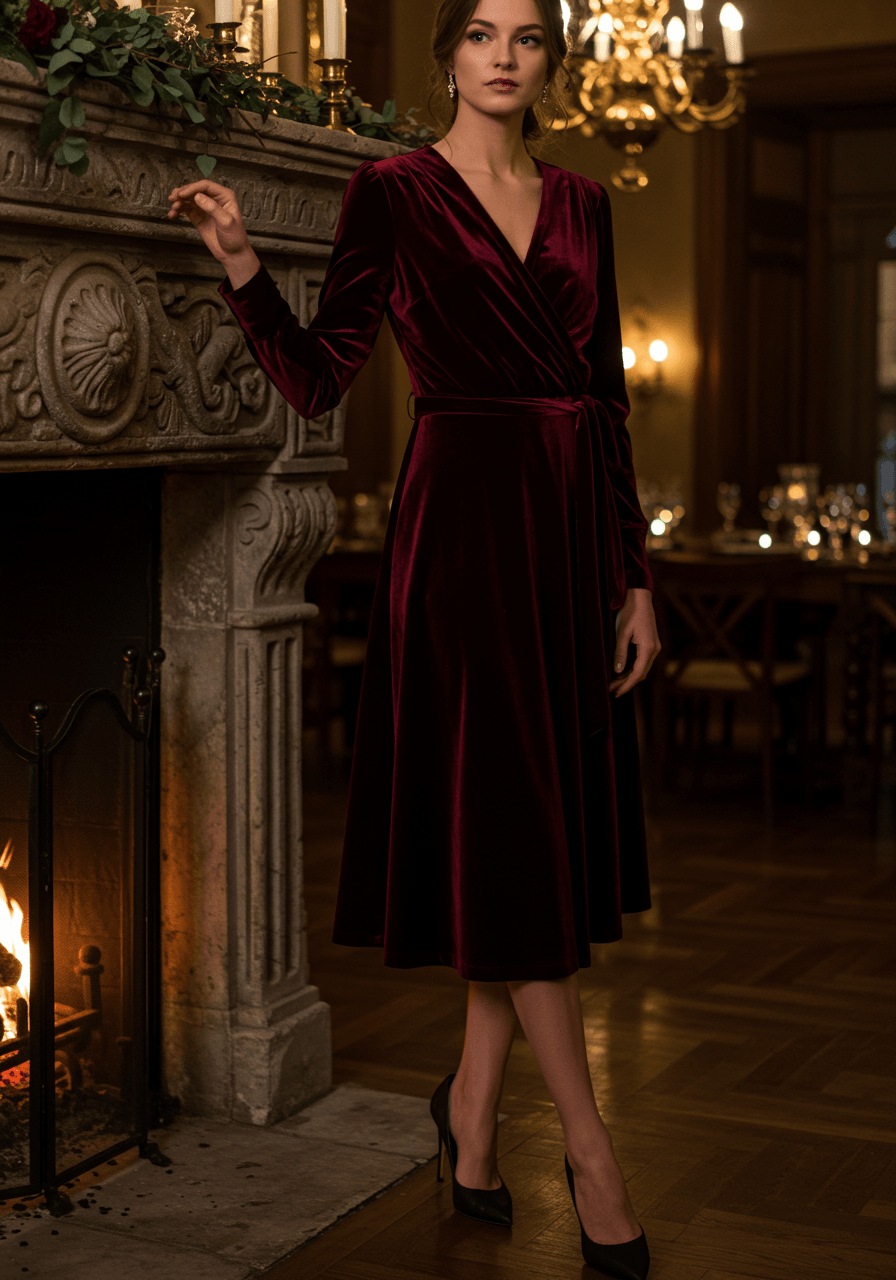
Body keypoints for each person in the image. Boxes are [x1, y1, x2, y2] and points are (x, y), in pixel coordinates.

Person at [168, 1, 659, 1275]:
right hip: (461, 544)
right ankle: (591, 1155)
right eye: (481, 33)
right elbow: (320, 373)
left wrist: (632, 576)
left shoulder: (584, 203)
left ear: (549, 63)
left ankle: (472, 1119)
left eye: (528, 38)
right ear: (447, 54)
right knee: (523, 844)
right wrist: (240, 264)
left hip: (565, 539)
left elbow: (604, 400)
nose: (503, 55)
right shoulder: (390, 191)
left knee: (519, 844)